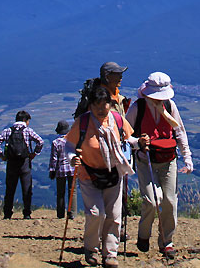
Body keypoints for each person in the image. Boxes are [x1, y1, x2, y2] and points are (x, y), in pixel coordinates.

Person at [66, 85, 136, 267]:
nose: (100, 109)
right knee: (96, 213)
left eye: (104, 104)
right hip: (89, 174)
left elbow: (128, 139)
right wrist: (73, 158)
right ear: (90, 106)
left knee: (113, 215)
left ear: (110, 104)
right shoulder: (82, 123)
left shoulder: (118, 121)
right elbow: (69, 145)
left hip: (113, 172)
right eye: (96, 104)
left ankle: (110, 254)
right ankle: (91, 248)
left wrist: (140, 142)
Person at [125, 72, 193, 259]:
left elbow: (179, 132)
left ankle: (167, 241)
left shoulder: (170, 106)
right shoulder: (137, 108)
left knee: (170, 201)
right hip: (145, 159)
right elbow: (124, 133)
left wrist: (187, 157)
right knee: (151, 200)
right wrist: (137, 142)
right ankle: (143, 235)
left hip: (168, 160)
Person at [0, 110, 44, 219]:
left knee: (10, 189)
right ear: (26, 120)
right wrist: (34, 153)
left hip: (11, 162)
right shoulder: (28, 130)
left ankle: (7, 213)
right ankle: (26, 213)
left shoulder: (8, 131)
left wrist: (1, 155)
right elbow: (40, 141)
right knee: (26, 189)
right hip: (24, 162)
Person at [49, 119, 78, 219]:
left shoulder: (55, 142)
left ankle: (60, 214)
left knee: (60, 193)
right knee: (72, 191)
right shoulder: (73, 140)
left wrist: (52, 171)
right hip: (73, 169)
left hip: (60, 170)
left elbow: (54, 159)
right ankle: (72, 213)